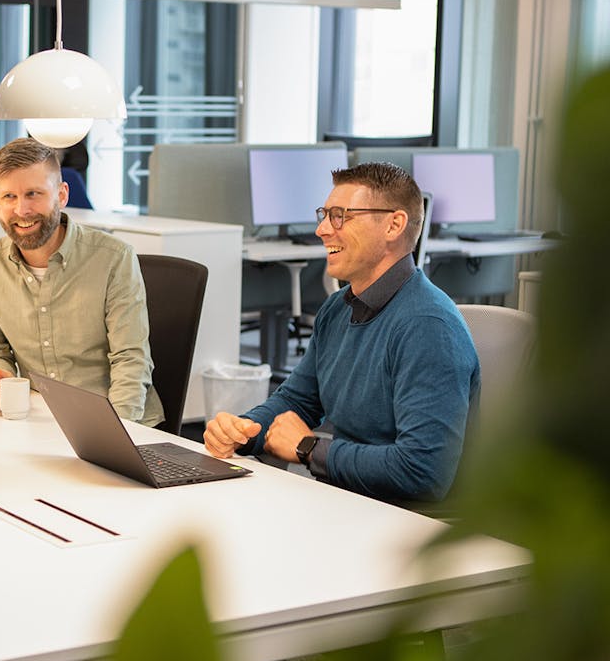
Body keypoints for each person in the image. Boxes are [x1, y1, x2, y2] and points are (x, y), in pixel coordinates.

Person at [203, 161, 479, 502]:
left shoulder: (428, 326)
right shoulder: (337, 308)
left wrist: (309, 448)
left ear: (394, 225)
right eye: (325, 214)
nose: (322, 230)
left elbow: (423, 471)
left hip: (406, 523)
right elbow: (297, 401)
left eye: (340, 216)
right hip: (345, 502)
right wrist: (243, 430)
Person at [0, 137, 163, 427]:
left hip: (118, 422)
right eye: (9, 197)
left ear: (61, 195)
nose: (21, 210)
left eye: (34, 194)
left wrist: (114, 434)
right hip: (41, 419)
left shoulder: (114, 258)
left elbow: (130, 360)